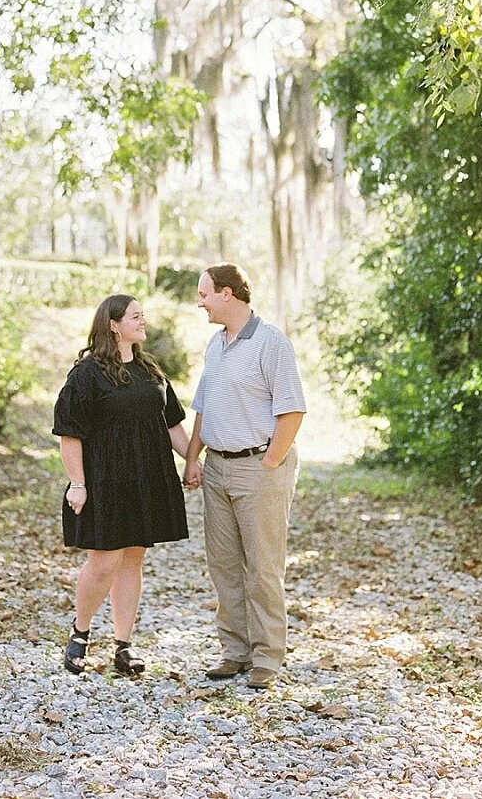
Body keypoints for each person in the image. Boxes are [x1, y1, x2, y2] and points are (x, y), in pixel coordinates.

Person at [53, 294, 189, 677]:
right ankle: (80, 633)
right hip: (103, 480)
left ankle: (123, 646)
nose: (143, 320)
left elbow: (172, 423)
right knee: (104, 561)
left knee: (133, 558)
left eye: (143, 314)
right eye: (135, 316)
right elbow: (69, 435)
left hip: (146, 476)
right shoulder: (86, 374)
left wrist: (193, 460)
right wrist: (77, 484)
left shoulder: (150, 371)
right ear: (113, 324)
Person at [184, 263, 306, 689]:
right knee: (223, 565)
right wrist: (193, 458)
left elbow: (292, 409)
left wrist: (270, 462)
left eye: (204, 294)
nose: (199, 302)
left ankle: (267, 658)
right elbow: (204, 408)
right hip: (217, 468)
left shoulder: (270, 342)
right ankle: (234, 651)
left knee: (263, 567)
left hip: (258, 467)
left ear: (227, 294)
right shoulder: (215, 346)